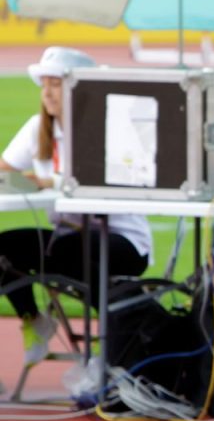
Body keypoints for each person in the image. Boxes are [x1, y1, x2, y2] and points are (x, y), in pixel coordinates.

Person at [0, 47, 152, 364]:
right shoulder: (37, 128)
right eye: (45, 84)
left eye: (56, 83)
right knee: (5, 249)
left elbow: (107, 182)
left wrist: (50, 182)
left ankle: (112, 348)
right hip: (67, 237)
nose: (48, 93)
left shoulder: (111, 128)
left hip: (124, 241)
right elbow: (5, 168)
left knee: (75, 250)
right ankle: (34, 320)